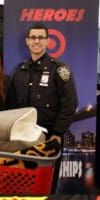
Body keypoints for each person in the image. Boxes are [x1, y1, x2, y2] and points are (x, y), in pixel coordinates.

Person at [10, 23, 78, 193]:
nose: (37, 41)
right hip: (21, 136)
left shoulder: (59, 69)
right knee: (21, 183)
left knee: (45, 186)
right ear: (27, 41)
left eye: (41, 37)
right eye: (33, 37)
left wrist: (58, 133)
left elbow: (70, 104)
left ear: (48, 41)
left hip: (49, 137)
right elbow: (10, 105)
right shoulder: (19, 71)